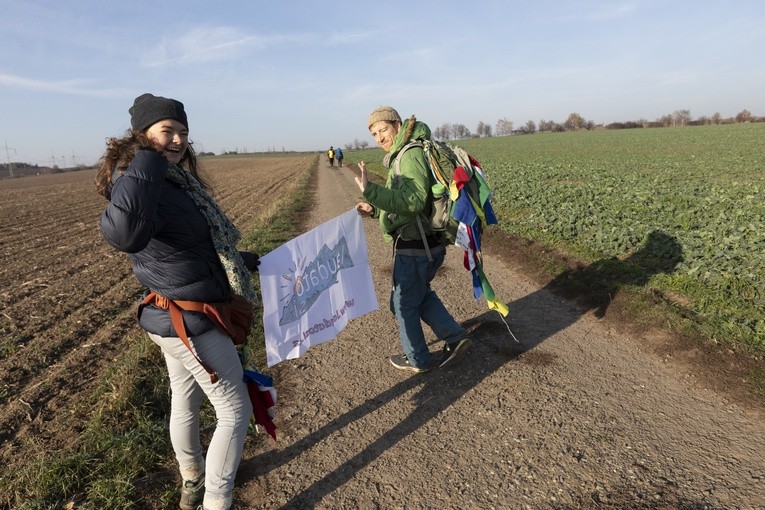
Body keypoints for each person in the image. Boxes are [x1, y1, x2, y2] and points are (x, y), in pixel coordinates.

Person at [95, 93, 258, 510]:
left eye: (182, 132)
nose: (178, 140)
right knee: (234, 411)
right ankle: (216, 502)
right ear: (142, 135)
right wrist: (148, 156)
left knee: (183, 398)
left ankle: (192, 480)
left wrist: (247, 262)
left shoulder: (171, 183)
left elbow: (190, 250)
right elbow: (124, 235)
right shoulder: (140, 178)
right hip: (192, 321)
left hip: (170, 318)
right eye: (167, 131)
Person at [354, 106, 471, 373]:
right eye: (374, 133)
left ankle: (417, 358)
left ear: (397, 125)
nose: (380, 137)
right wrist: (375, 210)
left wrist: (371, 191)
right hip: (425, 244)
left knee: (403, 303)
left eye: (383, 129)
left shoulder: (409, 155)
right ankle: (455, 337)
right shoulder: (403, 153)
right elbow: (406, 201)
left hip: (416, 247)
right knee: (419, 295)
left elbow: (414, 200)